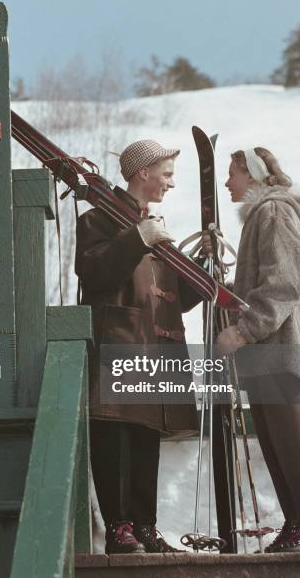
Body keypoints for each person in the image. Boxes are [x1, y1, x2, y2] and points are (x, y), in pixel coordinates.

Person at [75, 139, 201, 554]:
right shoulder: (98, 220)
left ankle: (146, 526)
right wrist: (137, 239)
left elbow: (176, 297)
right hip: (120, 341)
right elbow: (93, 274)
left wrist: (205, 272)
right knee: (114, 435)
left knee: (147, 437)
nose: (171, 182)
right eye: (166, 173)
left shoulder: (156, 224)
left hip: (157, 346)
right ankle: (119, 527)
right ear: (142, 172)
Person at [213, 146, 300, 553]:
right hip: (270, 350)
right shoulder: (261, 216)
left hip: (283, 346)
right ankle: (298, 524)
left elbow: (288, 277)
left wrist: (244, 331)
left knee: (289, 433)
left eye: (232, 174)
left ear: (252, 175)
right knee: (274, 437)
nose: (227, 183)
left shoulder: (273, 211)